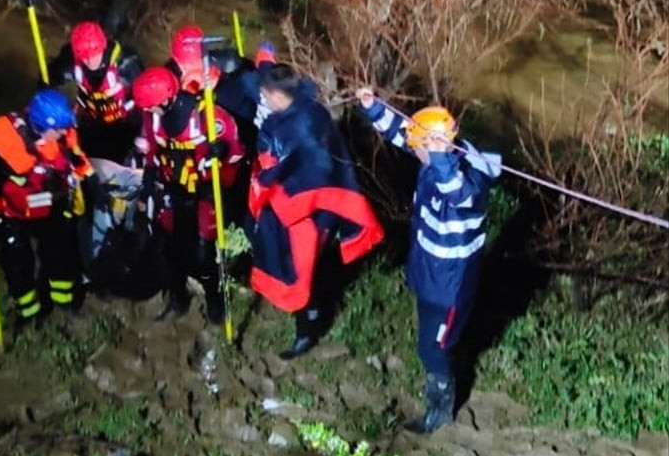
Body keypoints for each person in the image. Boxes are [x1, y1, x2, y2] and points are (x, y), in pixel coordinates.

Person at [357, 89, 501, 433]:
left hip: (450, 286)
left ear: (440, 147)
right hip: (429, 273)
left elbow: (458, 192)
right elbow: (403, 135)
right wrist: (372, 108)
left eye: (421, 147)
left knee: (433, 350)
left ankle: (440, 410)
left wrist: (437, 157)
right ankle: (447, 355)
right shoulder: (435, 159)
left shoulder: (467, 181)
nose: (414, 150)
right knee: (432, 336)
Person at [249, 64, 384, 359]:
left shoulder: (303, 124)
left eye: (265, 94)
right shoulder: (301, 112)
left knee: (303, 267)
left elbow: (310, 170)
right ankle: (308, 310)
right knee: (303, 262)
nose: (264, 99)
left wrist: (270, 184)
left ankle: (308, 328)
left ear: (276, 95)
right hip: (301, 205)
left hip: (314, 210)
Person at [0, 88, 96, 329]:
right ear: (42, 124)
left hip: (51, 206)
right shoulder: (3, 131)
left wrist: (90, 179)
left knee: (60, 256)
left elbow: (77, 159)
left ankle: (65, 303)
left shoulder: (65, 132)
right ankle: (29, 313)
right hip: (13, 211)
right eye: (59, 128)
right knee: (17, 264)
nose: (64, 132)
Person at [132, 65, 246, 323]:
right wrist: (146, 195)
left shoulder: (209, 117)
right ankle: (177, 297)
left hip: (204, 191)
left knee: (203, 255)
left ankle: (214, 299)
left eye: (151, 106)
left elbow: (237, 155)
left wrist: (223, 152)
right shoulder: (152, 119)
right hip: (171, 189)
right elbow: (150, 158)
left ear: (166, 99)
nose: (147, 111)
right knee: (169, 249)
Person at [48, 20, 143, 164]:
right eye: (84, 56)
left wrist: (142, 135)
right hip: (90, 121)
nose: (89, 60)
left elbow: (146, 99)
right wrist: (48, 84)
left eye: (94, 55)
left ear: (103, 47)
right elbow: (52, 76)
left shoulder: (126, 62)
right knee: (84, 159)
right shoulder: (70, 57)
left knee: (120, 160)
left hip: (123, 124)